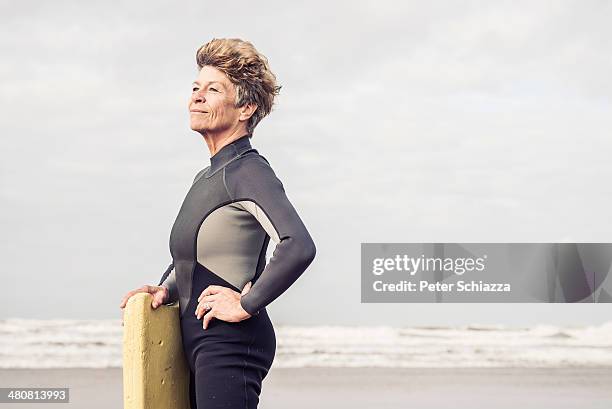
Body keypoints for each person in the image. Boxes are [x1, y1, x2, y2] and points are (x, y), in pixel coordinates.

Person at [119, 38, 316, 408]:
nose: (197, 97)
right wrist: (165, 289)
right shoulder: (205, 178)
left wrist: (247, 303)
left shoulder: (249, 172)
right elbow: (194, 258)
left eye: (213, 89)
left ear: (246, 107)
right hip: (198, 339)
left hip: (230, 342)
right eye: (195, 88)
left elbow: (298, 244)